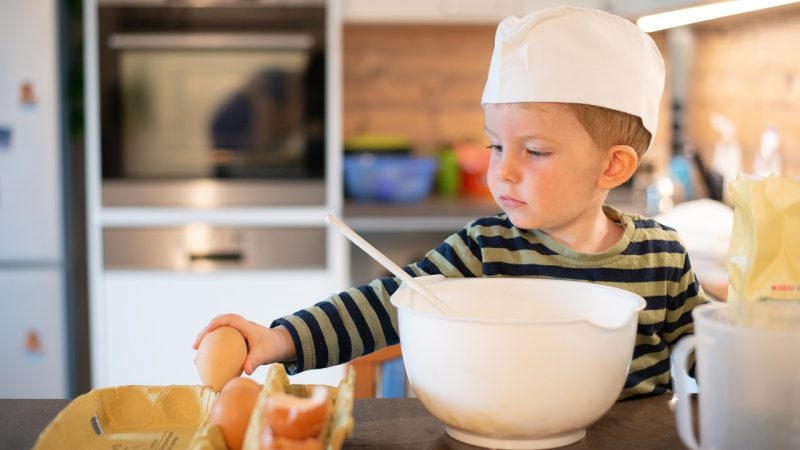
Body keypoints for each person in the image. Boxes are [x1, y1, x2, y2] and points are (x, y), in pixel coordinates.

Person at [194, 6, 706, 400]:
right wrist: (280, 339)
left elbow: (711, 357)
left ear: (612, 167)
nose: (502, 170)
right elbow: (383, 306)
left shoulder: (662, 256)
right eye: (496, 145)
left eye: (534, 151)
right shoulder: (484, 249)